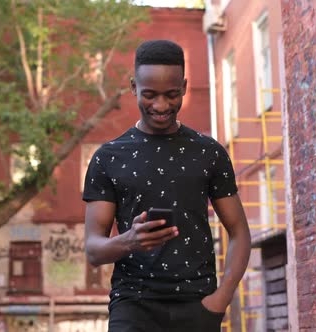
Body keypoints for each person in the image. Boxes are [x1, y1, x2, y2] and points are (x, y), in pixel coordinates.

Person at [83, 39, 250, 332]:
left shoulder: (209, 153)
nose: (161, 106)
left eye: (172, 95)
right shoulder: (107, 158)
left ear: (184, 87)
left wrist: (220, 300)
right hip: (133, 305)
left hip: (198, 305)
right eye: (149, 95)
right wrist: (129, 240)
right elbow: (93, 250)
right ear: (134, 87)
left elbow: (239, 233)